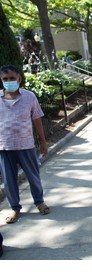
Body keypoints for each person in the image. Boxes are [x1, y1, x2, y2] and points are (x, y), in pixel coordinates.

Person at [0, 65, 50, 224]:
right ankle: (15, 208)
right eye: (5, 79)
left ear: (19, 79)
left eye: (12, 78)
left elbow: (37, 120)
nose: (9, 82)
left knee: (33, 176)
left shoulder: (29, 97)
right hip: (4, 146)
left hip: (26, 144)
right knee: (9, 180)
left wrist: (42, 141)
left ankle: (39, 202)